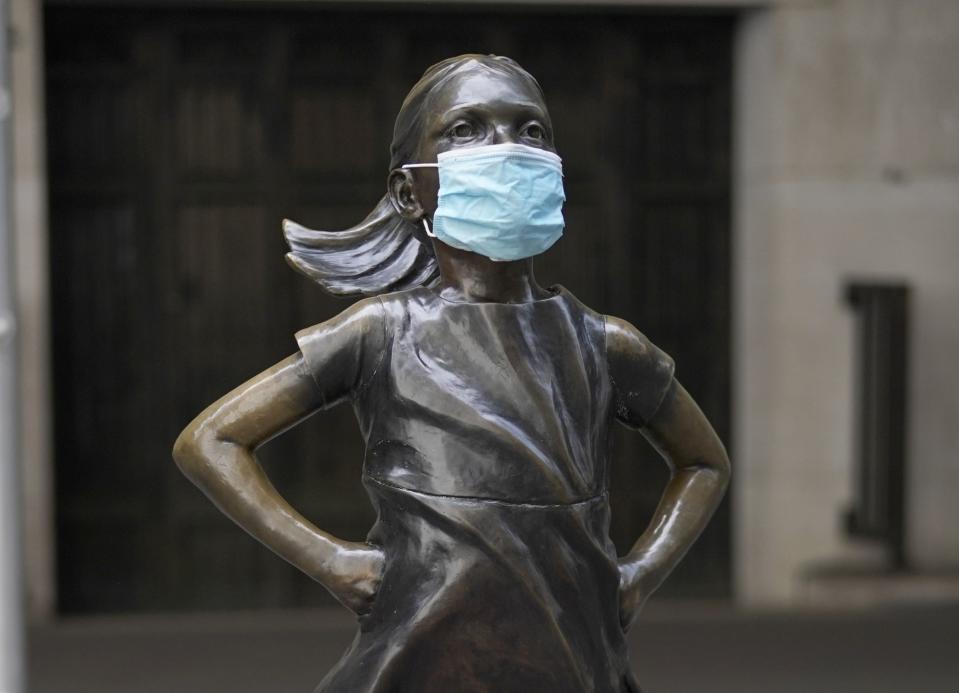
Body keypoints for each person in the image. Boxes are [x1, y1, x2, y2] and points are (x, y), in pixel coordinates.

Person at [173, 54, 730, 693]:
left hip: (575, 660)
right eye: (467, 129)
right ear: (410, 190)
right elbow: (210, 441)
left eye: (531, 130)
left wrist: (639, 575)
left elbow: (704, 462)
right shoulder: (381, 332)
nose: (508, 148)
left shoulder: (604, 346)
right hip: (419, 658)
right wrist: (333, 561)